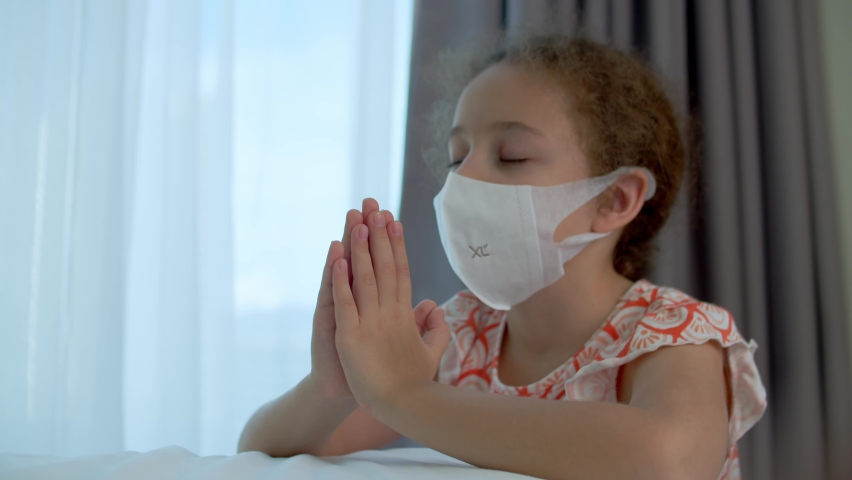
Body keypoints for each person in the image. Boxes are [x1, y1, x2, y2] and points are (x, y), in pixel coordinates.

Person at [238, 34, 767, 480]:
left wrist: (404, 395)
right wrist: (332, 390)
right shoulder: (460, 334)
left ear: (614, 200)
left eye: (511, 156)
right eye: (456, 157)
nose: (464, 179)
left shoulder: (673, 331)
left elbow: (669, 459)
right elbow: (259, 455)